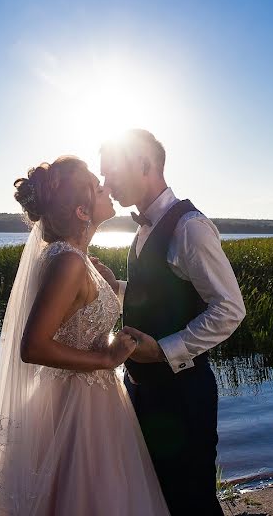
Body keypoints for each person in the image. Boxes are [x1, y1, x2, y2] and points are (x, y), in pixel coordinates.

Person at [0, 156, 169, 515]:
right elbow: (34, 345)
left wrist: (109, 285)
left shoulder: (73, 258)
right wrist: (104, 358)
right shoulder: (68, 262)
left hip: (86, 399)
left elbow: (77, 314)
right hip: (77, 408)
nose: (105, 186)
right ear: (83, 211)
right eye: (96, 186)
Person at [95, 129, 246, 516]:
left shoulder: (189, 227)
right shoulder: (146, 227)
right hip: (145, 390)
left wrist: (163, 351)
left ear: (144, 164)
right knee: (158, 498)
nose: (106, 184)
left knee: (190, 501)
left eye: (111, 173)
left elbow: (229, 309)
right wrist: (120, 289)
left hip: (183, 396)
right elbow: (165, 294)